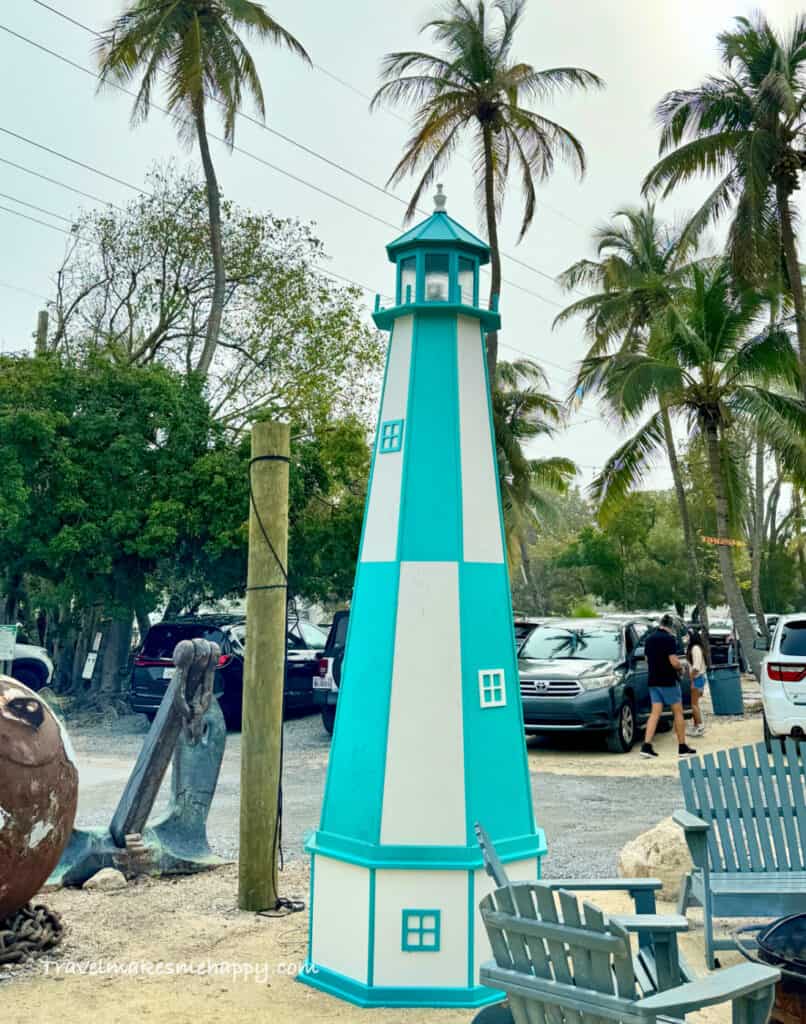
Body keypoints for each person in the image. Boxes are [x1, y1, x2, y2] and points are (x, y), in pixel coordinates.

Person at [641, 614, 697, 759]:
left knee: (655, 713)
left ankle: (646, 745)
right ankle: (682, 747)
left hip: (653, 680)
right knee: (678, 712)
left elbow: (647, 659)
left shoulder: (649, 639)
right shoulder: (669, 639)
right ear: (671, 626)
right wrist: (681, 668)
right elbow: (673, 661)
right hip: (668, 681)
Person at [686, 629, 708, 737]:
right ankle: (696, 726)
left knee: (693, 704)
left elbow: (696, 667)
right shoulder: (697, 648)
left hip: (697, 678)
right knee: (695, 704)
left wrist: (690, 678)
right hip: (698, 678)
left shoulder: (695, 649)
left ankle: (700, 726)